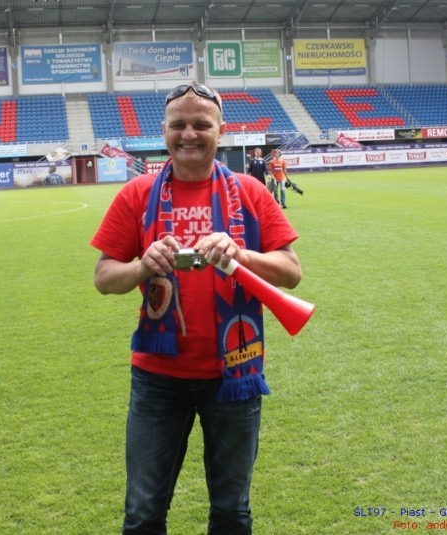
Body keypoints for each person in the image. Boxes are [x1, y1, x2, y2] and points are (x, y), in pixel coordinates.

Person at [90, 81, 302, 534]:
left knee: (231, 512)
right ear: (164, 130)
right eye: (179, 124)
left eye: (201, 124)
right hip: (157, 379)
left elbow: (291, 272)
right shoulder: (136, 194)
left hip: (234, 376)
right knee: (143, 514)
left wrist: (240, 255)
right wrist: (142, 266)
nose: (189, 134)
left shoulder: (250, 191)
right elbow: (104, 277)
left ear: (221, 131)